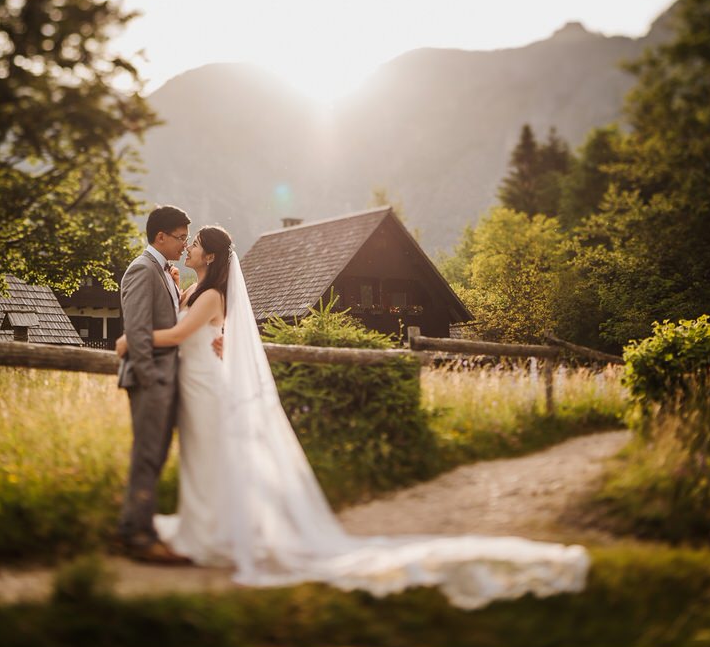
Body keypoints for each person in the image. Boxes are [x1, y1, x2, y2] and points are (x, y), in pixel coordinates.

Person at [115, 223, 591, 610]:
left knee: (218, 460)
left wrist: (127, 342)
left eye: (194, 243)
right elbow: (190, 327)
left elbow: (177, 336)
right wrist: (192, 310)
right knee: (203, 462)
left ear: (211, 256)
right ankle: (207, 528)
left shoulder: (214, 296)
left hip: (204, 388)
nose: (188, 246)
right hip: (196, 383)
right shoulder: (195, 288)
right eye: (185, 240)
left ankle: (229, 532)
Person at [114, 204, 192, 565]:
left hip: (164, 380)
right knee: (147, 455)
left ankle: (140, 526)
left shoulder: (162, 271)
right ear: (160, 236)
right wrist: (151, 380)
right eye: (179, 238)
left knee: (155, 455)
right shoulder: (141, 270)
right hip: (151, 381)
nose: (184, 244)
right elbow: (138, 332)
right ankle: (136, 535)